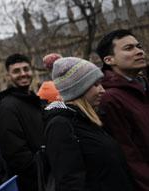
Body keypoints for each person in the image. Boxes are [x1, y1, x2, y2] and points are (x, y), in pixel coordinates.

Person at [44, 57, 134, 190]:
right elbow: (70, 182)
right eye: (96, 84)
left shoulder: (87, 119)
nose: (103, 90)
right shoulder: (61, 125)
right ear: (79, 88)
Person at [96, 29, 149, 191]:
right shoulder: (110, 98)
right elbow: (128, 154)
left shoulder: (140, 85)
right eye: (129, 48)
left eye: (139, 46)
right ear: (109, 59)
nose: (139, 52)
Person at [0, 54, 44, 191]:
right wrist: (43, 170)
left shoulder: (35, 101)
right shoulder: (7, 107)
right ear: (8, 76)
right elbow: (16, 155)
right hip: (33, 183)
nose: (23, 74)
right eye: (16, 71)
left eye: (26, 69)